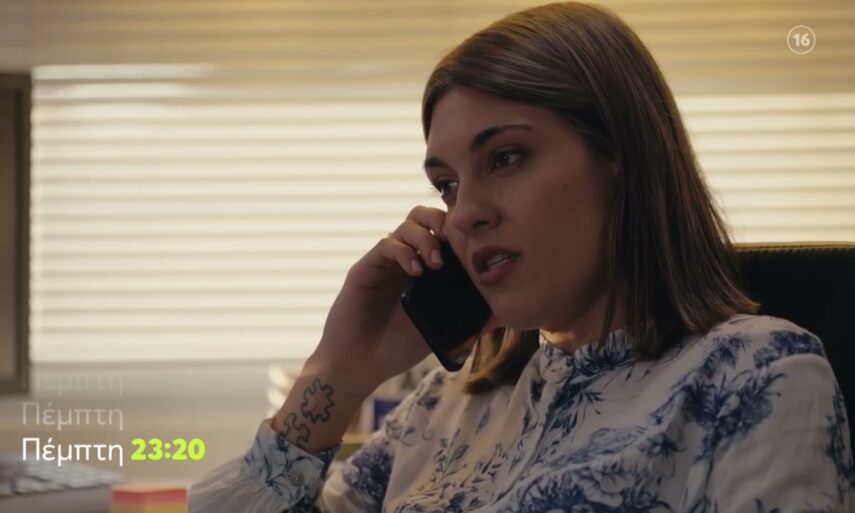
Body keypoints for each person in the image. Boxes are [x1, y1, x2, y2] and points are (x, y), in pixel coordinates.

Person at [187, 2, 855, 511]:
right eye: (447, 185)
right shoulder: (444, 407)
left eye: (505, 158)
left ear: (621, 157)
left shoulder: (756, 374)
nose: (464, 214)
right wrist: (338, 372)